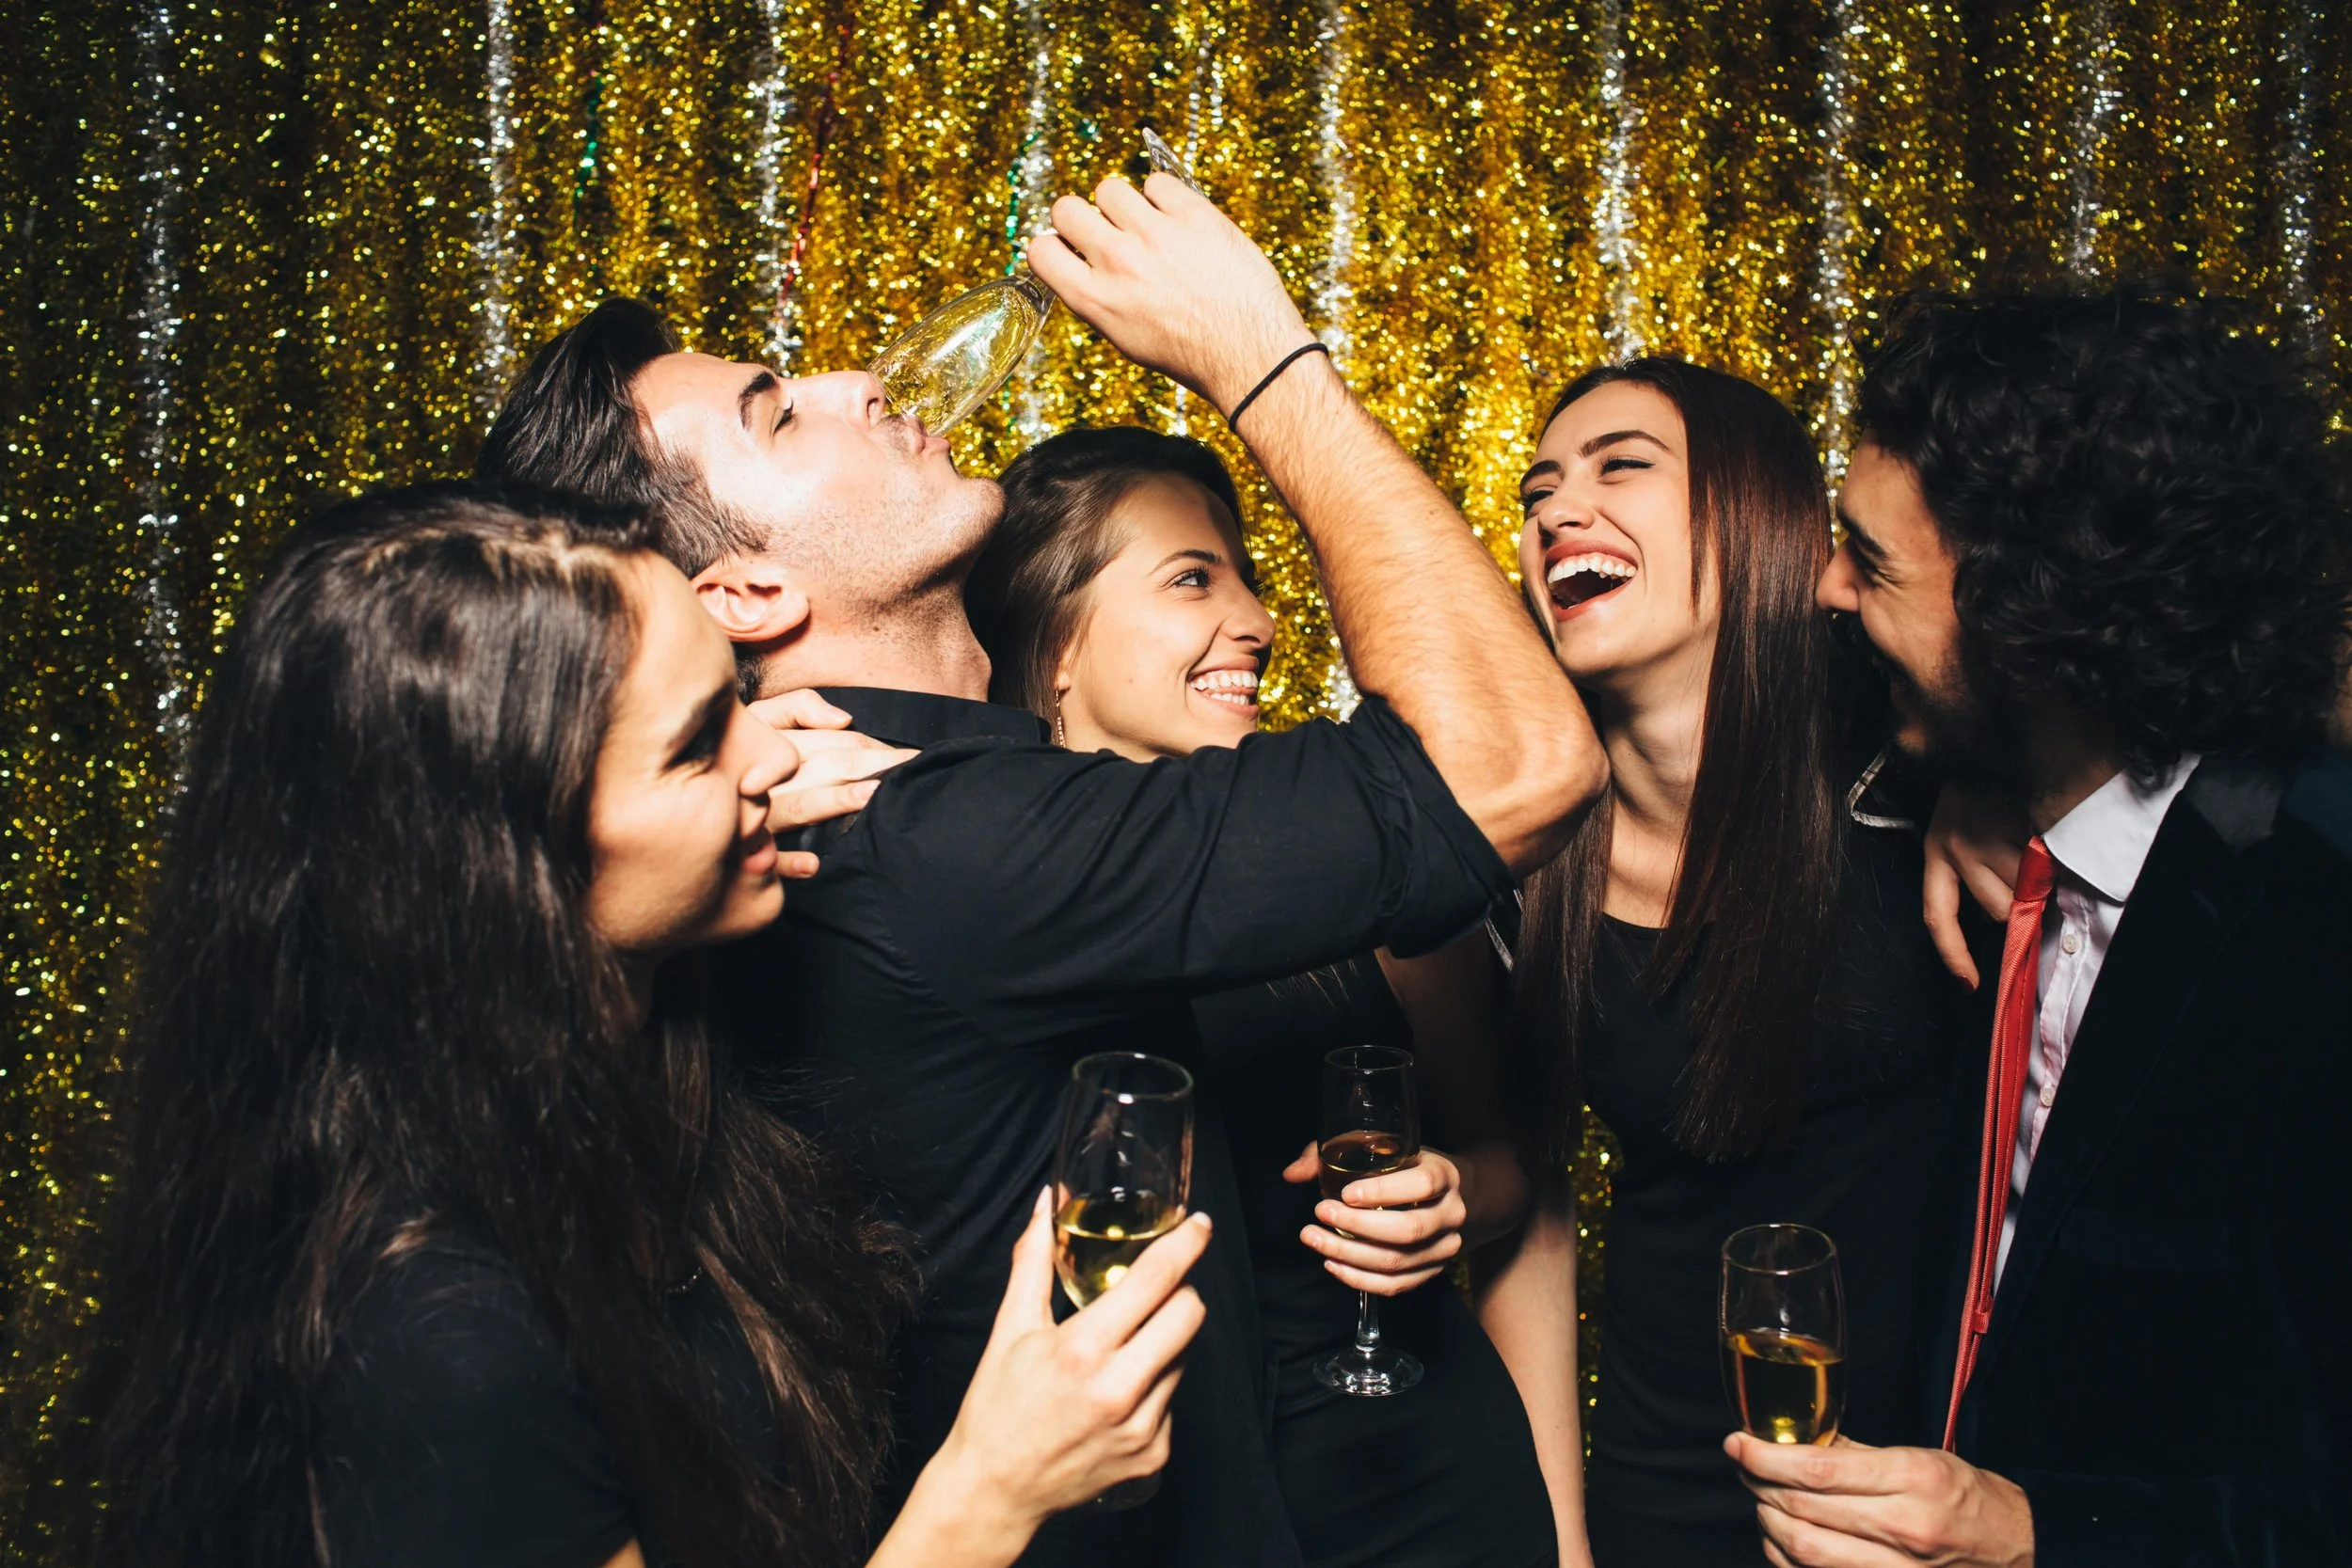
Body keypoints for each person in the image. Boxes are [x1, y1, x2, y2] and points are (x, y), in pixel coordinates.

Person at [476, 175, 1607, 1567]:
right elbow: (1521, 763)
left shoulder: (803, 809)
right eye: (777, 411)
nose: (845, 377)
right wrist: (1263, 356)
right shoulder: (949, 837)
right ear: (749, 594)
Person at [93, 484, 1214, 1568]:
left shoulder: (661, 1105)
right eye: (696, 743)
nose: (779, 753)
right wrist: (991, 1487)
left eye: (739, 698)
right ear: (500, 867)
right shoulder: (436, 1333)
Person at [1735, 289, 2352, 1565]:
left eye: (1874, 559)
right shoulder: (2018, 843)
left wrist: (2033, 1533)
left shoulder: (2308, 930)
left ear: (2034, 626)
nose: (1829, 586)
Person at [961, 423, 1554, 1568]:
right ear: (1058, 640)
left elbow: (1512, 1162)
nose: (1262, 622)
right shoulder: (973, 884)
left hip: (1415, 1473)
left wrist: (1447, 1195)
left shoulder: (1357, 856)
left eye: (1250, 577)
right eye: (1192, 578)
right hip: (1144, 1508)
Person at [1472, 359, 1972, 1567]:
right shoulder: (1518, 866)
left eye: (1621, 465)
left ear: (1765, 517)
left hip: (1949, 1476)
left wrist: (1996, 786)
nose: (1557, 510)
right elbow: (1530, 1215)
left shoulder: (1918, 777)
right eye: (1538, 490)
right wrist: (1563, 1543)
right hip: (1682, 1484)